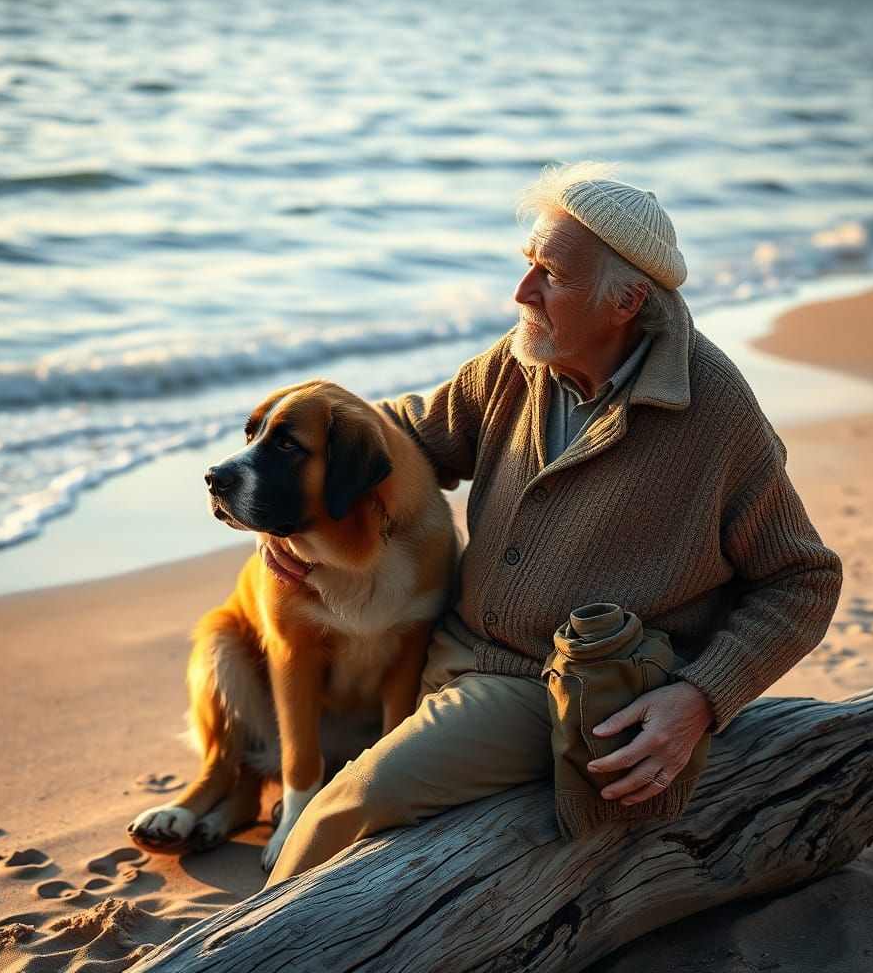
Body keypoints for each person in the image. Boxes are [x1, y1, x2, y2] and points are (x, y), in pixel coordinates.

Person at [260, 162, 842, 886]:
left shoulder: (713, 412)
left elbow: (803, 580)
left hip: (542, 686)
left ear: (627, 300)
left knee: (353, 804)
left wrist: (701, 697)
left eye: (551, 276)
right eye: (527, 262)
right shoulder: (523, 360)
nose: (522, 292)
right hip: (443, 649)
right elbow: (407, 438)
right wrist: (283, 506)